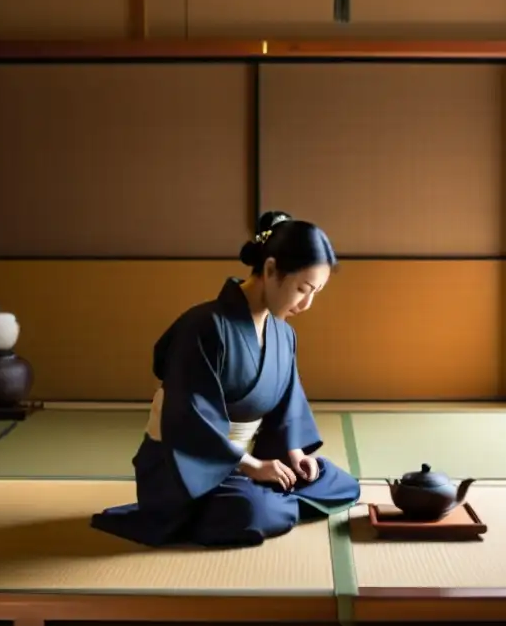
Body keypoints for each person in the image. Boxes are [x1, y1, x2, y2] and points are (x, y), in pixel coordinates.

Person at [91, 211, 361, 548]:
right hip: (184, 467)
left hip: (245, 465)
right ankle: (241, 503)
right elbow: (188, 420)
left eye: (316, 292)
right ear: (271, 269)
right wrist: (250, 466)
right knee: (252, 511)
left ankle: (262, 498)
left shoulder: (284, 334)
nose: (307, 304)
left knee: (340, 483)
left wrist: (293, 454)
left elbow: (287, 406)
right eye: (302, 289)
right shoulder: (203, 327)